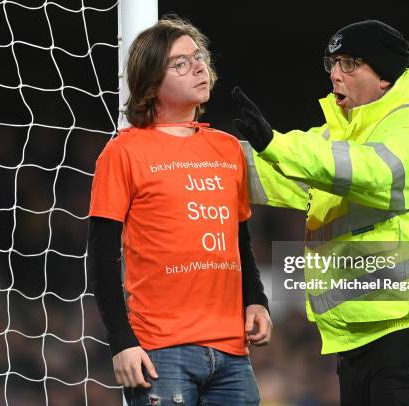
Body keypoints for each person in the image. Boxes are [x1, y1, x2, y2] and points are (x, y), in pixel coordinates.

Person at [232, 20, 409, 405]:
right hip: (361, 340)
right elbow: (272, 173)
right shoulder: (339, 139)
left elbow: (371, 171)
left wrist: (276, 145)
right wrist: (191, 154)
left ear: (384, 76)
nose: (334, 74)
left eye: (349, 63)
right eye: (332, 63)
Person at [87, 16, 271, 406]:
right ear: (151, 82)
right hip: (160, 352)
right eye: (182, 63)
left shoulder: (227, 147)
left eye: (199, 57)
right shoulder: (122, 151)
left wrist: (256, 299)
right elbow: (102, 257)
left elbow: (238, 236)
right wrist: (121, 342)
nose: (200, 66)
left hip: (232, 353)